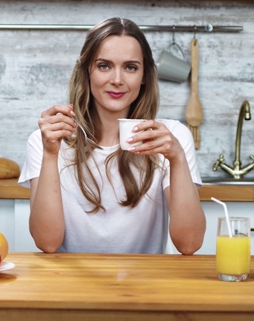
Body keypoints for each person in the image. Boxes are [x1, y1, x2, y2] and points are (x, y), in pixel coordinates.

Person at [18, 17, 205, 255]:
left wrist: (176, 158)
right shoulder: (46, 140)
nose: (117, 80)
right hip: (68, 285)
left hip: (144, 287)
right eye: (104, 66)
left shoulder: (173, 137)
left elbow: (189, 244)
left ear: (144, 76)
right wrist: (50, 155)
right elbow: (47, 242)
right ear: (87, 72)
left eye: (130, 67)